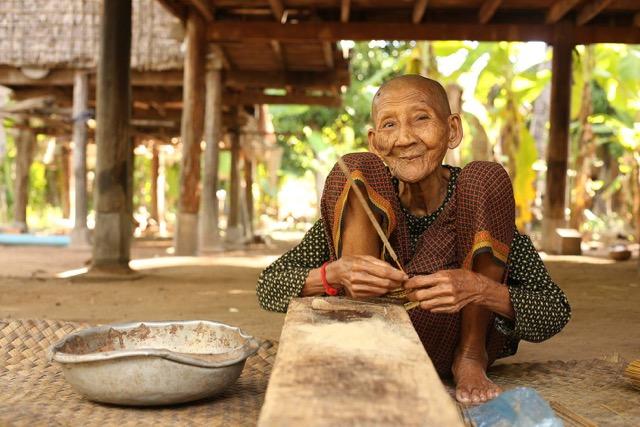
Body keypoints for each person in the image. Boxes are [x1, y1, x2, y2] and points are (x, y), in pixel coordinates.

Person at [257, 75, 570, 404]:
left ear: (452, 131)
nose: (405, 138)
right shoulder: (365, 201)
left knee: (486, 175)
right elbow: (269, 287)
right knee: (354, 167)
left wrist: (479, 288)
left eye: (421, 118)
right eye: (389, 125)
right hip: (371, 342)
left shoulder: (477, 201)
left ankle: (470, 357)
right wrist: (335, 274)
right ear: (376, 141)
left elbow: (554, 311)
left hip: (450, 342)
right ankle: (363, 345)